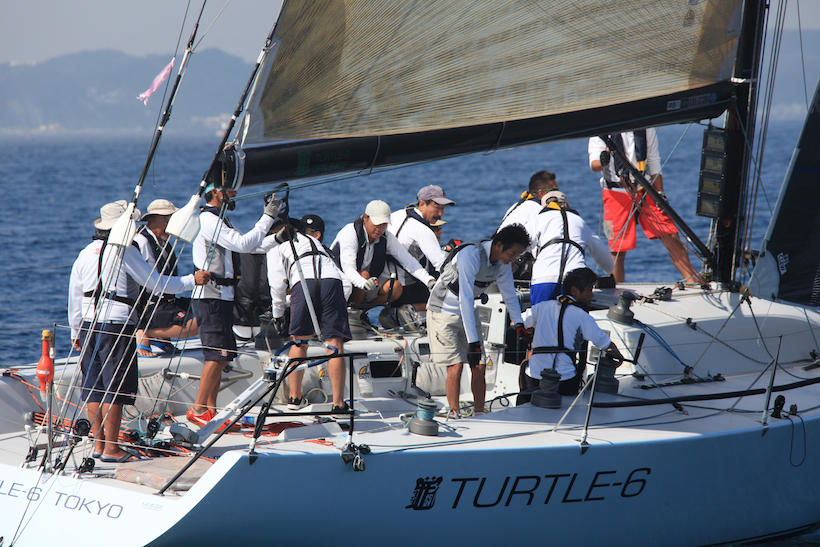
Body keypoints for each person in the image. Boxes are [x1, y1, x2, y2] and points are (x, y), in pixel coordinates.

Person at [68, 200, 210, 462]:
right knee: (115, 389)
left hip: (88, 326)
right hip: (116, 325)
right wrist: (193, 280)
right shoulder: (124, 251)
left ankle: (99, 446)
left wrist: (75, 331)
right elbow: (156, 283)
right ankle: (112, 449)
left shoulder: (85, 252)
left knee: (94, 388)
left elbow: (75, 295)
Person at [188, 183, 283, 426]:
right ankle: (197, 410)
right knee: (216, 356)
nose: (236, 194)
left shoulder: (221, 220)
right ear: (216, 192)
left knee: (222, 357)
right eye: (231, 189)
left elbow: (250, 246)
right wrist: (267, 217)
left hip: (223, 296)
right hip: (211, 295)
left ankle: (210, 412)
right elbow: (242, 244)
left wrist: (276, 238)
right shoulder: (209, 220)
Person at [427, 223, 530, 417]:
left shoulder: (502, 263)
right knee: (456, 365)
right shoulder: (471, 255)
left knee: (480, 366)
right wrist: (473, 343)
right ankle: (454, 413)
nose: (513, 259)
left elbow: (509, 295)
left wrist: (519, 325)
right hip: (442, 310)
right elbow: (465, 298)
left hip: (467, 312)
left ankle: (480, 415)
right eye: (512, 253)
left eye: (517, 255)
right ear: (498, 245)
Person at [589, 129, 697, 283]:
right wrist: (602, 160)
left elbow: (653, 160)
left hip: (644, 188)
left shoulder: (647, 128)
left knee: (671, 234)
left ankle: (692, 282)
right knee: (618, 249)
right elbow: (594, 165)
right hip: (615, 193)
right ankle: (615, 289)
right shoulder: (601, 131)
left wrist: (660, 193)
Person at [267, 218, 353, 412]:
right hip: (333, 282)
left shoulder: (275, 247)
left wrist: (278, 315)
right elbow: (345, 282)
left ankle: (294, 398)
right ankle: (339, 404)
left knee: (299, 342)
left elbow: (277, 285)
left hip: (303, 281)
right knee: (335, 344)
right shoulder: (314, 241)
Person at [518, 267, 623, 404]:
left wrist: (531, 331)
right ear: (574, 291)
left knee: (525, 364)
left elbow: (516, 323)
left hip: (534, 378)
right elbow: (606, 345)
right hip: (564, 382)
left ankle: (523, 405)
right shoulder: (581, 315)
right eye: (589, 290)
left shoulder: (541, 306)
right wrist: (620, 357)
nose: (592, 296)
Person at [331, 200, 435, 308]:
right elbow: (348, 268)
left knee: (395, 287)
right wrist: (363, 283)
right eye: (377, 223)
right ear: (365, 218)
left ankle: (361, 313)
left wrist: (429, 280)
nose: (380, 229)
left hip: (365, 283)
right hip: (340, 282)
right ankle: (350, 312)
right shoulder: (350, 232)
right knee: (365, 275)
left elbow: (408, 261)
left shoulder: (386, 237)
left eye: (384, 224)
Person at [132, 199, 198, 356]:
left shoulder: (164, 244)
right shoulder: (141, 242)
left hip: (165, 303)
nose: (170, 225)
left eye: (171, 220)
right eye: (166, 220)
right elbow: (150, 283)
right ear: (151, 220)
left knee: (207, 310)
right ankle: (146, 332)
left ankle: (162, 336)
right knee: (194, 325)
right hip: (147, 307)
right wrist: (193, 280)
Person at [525, 191, 613, 304]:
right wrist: (609, 271)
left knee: (541, 314)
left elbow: (521, 245)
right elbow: (606, 260)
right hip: (576, 281)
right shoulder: (579, 221)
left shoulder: (538, 219)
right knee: (576, 315)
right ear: (566, 204)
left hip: (544, 278)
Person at [388, 185, 455, 308]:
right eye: (437, 208)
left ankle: (392, 313)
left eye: (443, 209)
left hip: (386, 284)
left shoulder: (396, 215)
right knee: (449, 288)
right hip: (405, 289)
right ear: (422, 204)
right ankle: (411, 309)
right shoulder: (423, 230)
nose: (440, 214)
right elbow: (442, 265)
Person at [497, 170, 559, 236]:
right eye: (554, 190)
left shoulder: (516, 206)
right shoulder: (538, 210)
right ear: (541, 193)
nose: (558, 193)